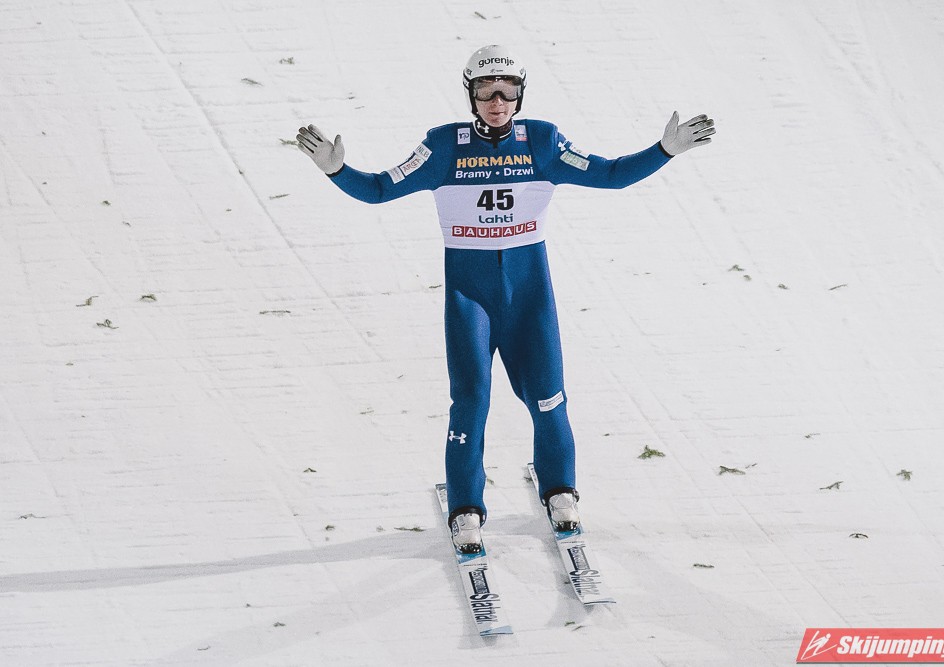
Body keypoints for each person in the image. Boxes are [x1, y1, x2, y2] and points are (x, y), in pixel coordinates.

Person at [297, 45, 715, 554]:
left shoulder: (542, 141)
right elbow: (381, 189)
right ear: (469, 95)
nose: (497, 103)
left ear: (520, 95)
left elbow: (609, 174)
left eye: (507, 92)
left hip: (529, 298)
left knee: (549, 397)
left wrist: (664, 150)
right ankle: (466, 508)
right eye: (485, 92)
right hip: (469, 299)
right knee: (471, 401)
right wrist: (337, 171)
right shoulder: (444, 147)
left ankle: (560, 490)